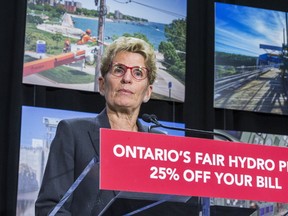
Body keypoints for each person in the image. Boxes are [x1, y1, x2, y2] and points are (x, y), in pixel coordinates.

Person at [35, 36, 159, 215]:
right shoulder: (73, 133)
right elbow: (49, 208)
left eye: (138, 73)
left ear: (147, 92)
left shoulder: (159, 145)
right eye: (119, 70)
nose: (127, 79)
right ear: (102, 85)